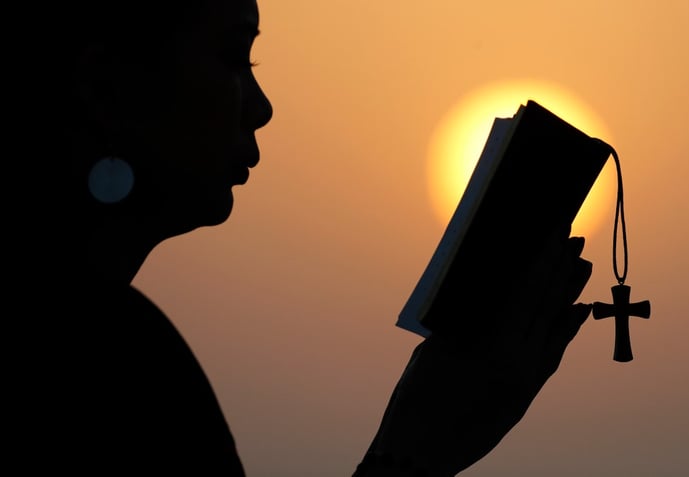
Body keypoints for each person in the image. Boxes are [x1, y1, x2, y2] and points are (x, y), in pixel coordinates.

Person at [12, 0, 592, 475]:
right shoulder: (116, 369)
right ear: (104, 90)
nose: (261, 107)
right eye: (235, 55)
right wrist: (417, 448)